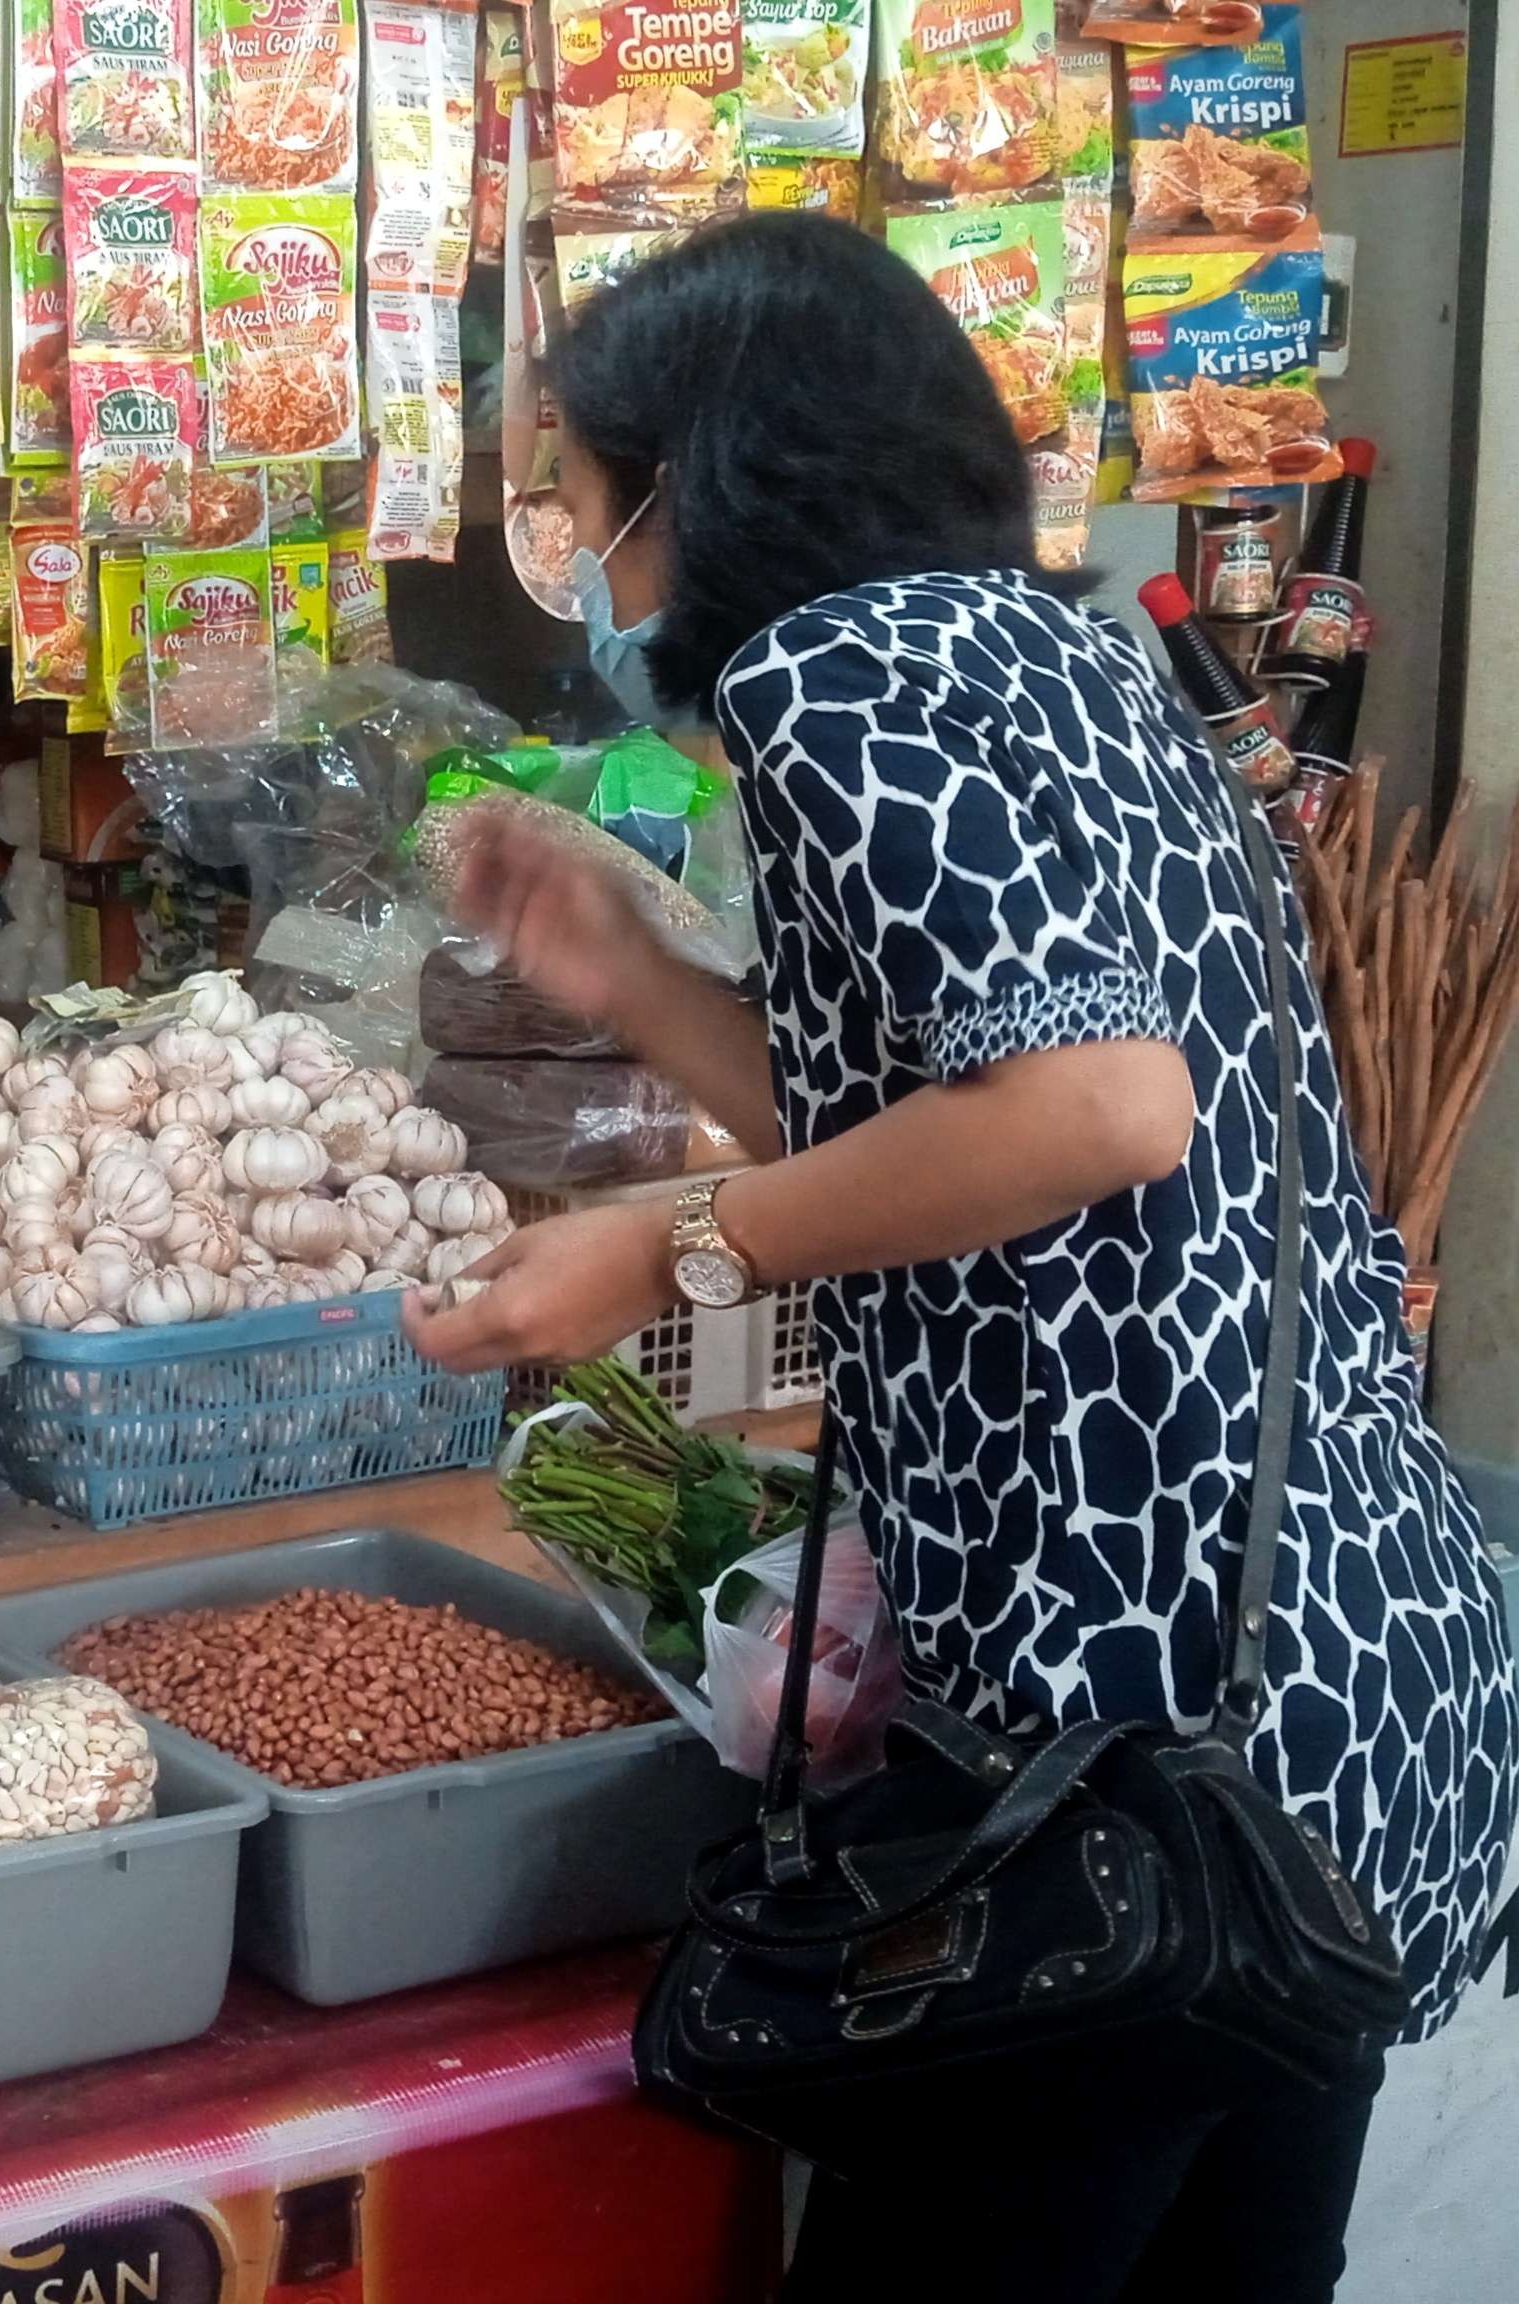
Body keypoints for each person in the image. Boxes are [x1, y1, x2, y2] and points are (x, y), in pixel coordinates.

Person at [401, 213, 1515, 2301]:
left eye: (568, 485)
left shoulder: (831, 679)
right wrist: (633, 973)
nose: (569, 543)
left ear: (690, 475)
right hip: (1334, 1672)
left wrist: (662, 1252)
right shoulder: (1056, 648)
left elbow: (1089, 1112)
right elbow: (951, 1112)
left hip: (1121, 1726)